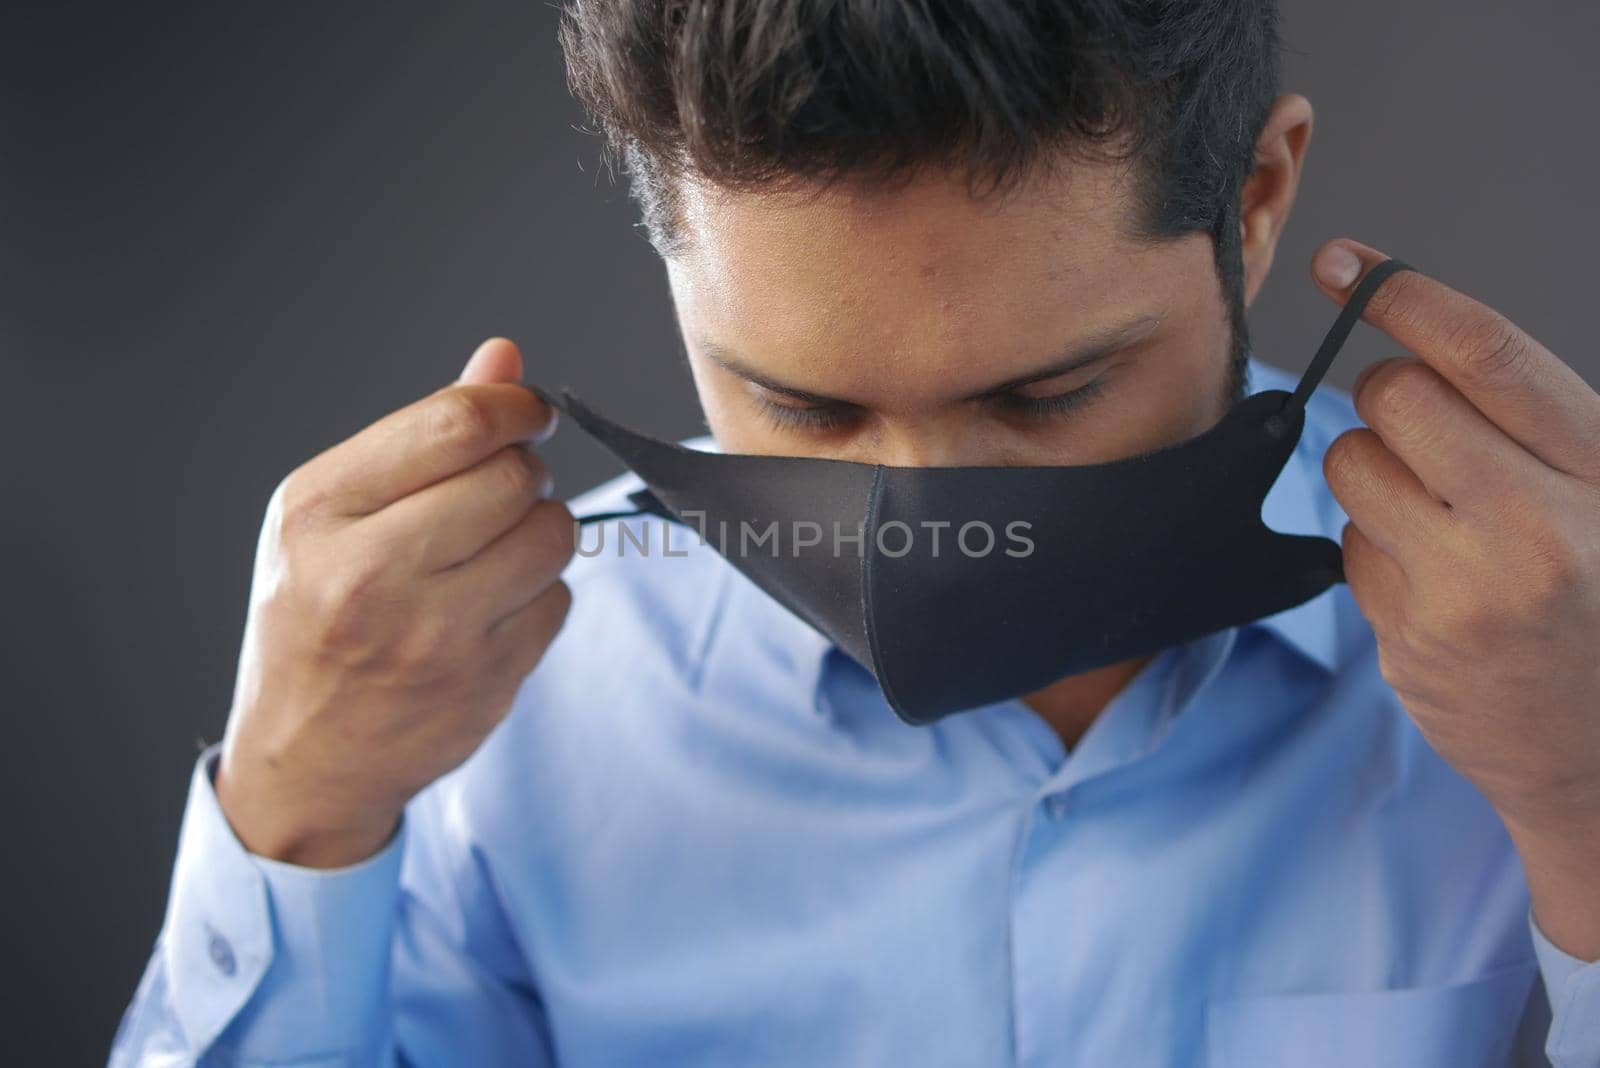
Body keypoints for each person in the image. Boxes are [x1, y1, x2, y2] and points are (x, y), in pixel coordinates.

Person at [110, 0, 1600, 1064]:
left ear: (1258, 197)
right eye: (803, 407)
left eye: (1048, 391)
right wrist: (296, 819)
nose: (926, 512)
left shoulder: (1549, 644)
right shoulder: (492, 698)